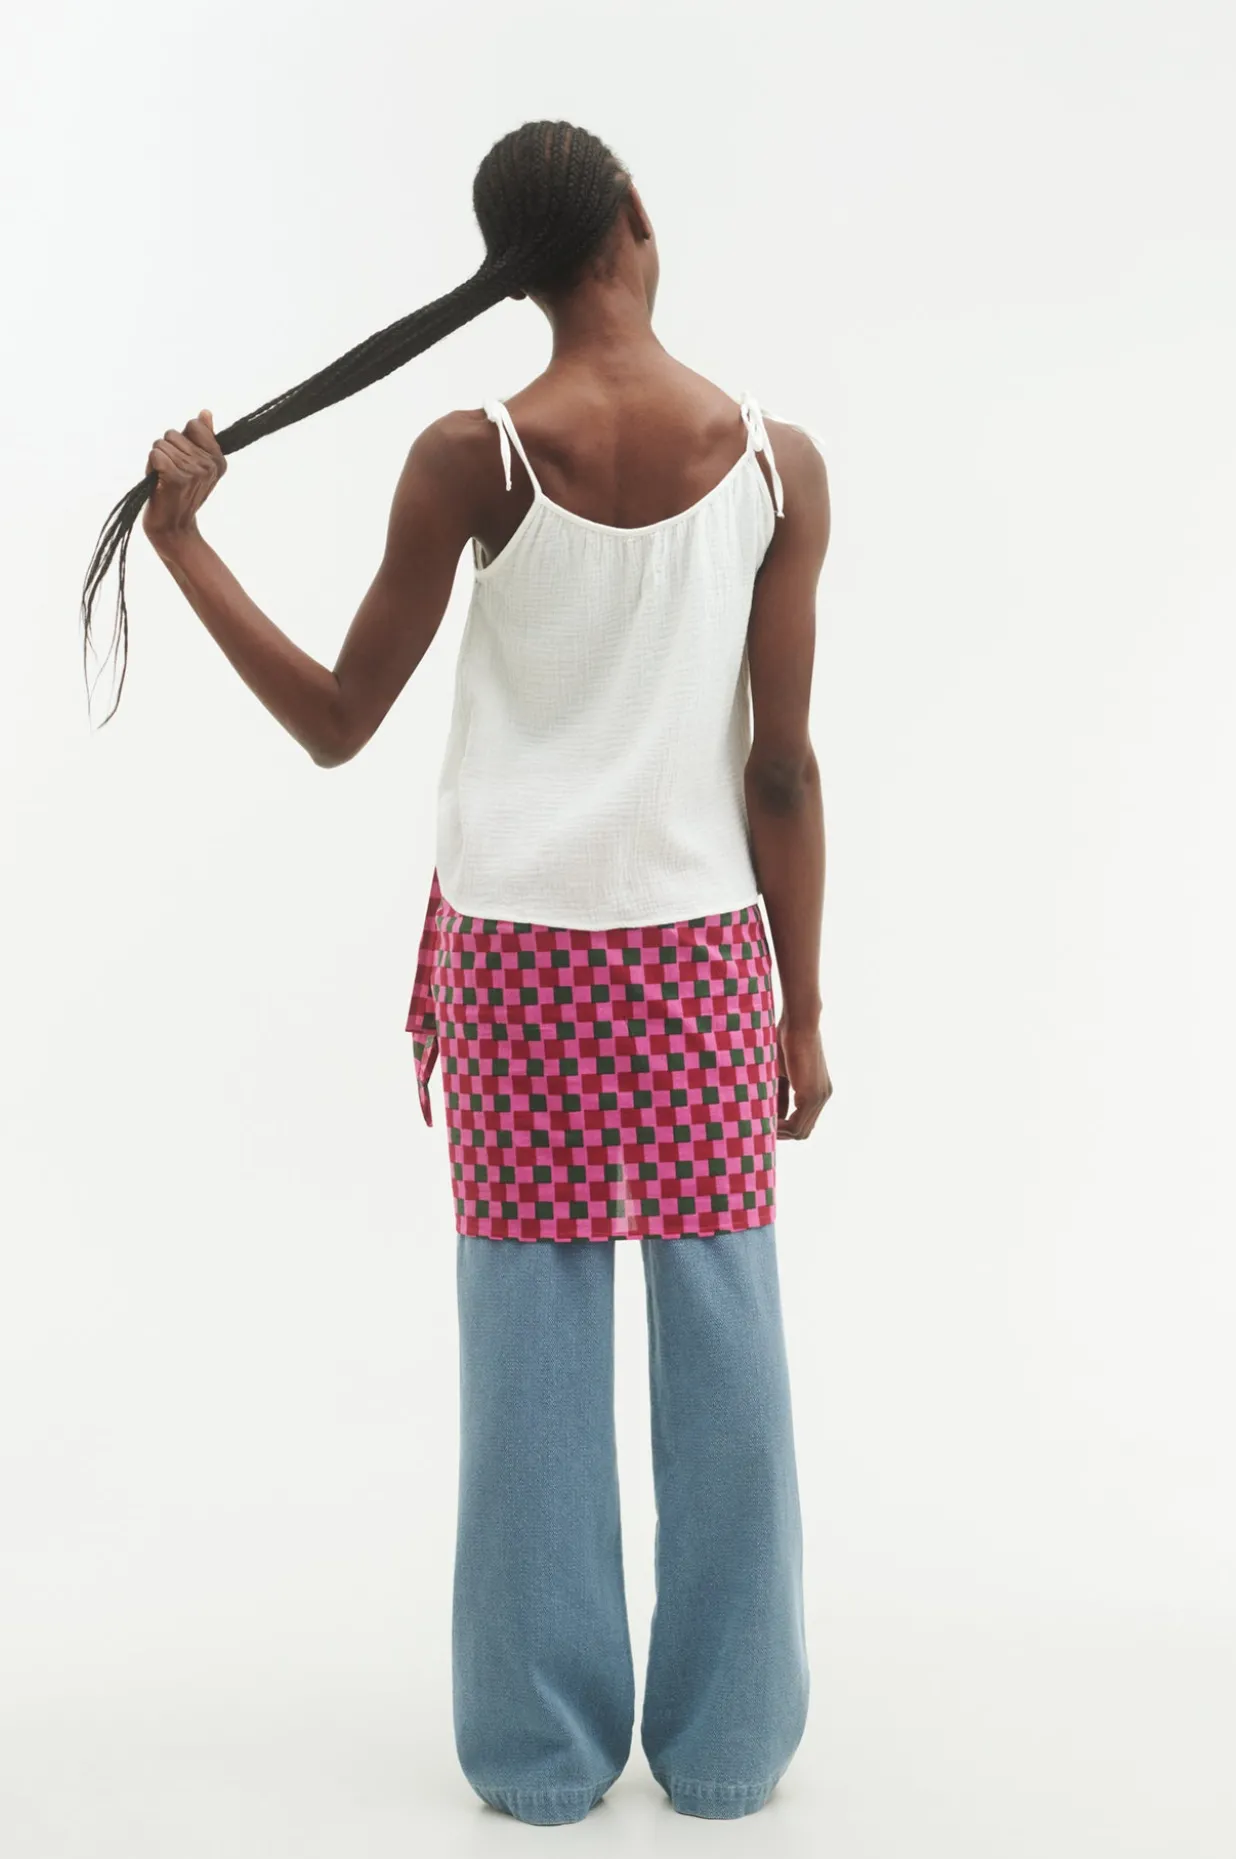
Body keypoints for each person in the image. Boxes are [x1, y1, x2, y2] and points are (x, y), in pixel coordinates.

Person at [106, 119, 832, 1826]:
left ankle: (539, 1753)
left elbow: (337, 719)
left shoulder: (475, 456)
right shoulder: (777, 465)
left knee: (530, 1360)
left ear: (514, 270)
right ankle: (730, 1746)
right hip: (702, 960)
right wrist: (803, 1005)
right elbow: (783, 769)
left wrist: (185, 545)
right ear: (635, 217)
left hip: (519, 968)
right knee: (728, 1341)